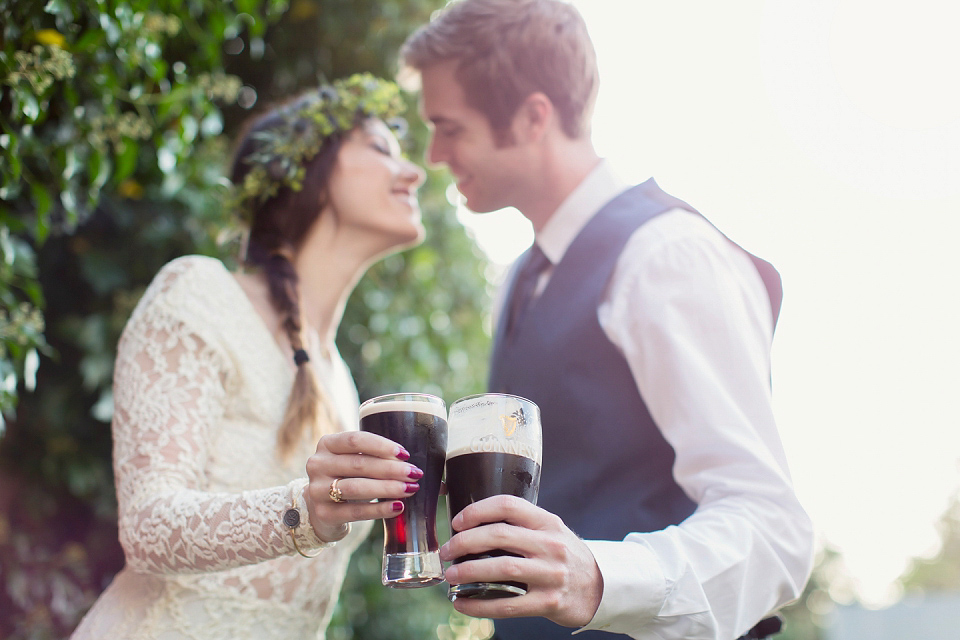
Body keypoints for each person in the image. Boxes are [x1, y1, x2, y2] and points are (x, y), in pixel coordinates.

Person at [400, 2, 815, 639]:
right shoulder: (519, 276)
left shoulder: (664, 255)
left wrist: (596, 577)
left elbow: (771, 525)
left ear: (535, 116)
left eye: (449, 127)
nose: (432, 153)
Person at [70, 74, 428, 640]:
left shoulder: (342, 384)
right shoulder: (200, 293)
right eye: (382, 150)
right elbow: (146, 526)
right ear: (308, 170)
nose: (414, 172)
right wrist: (305, 512)